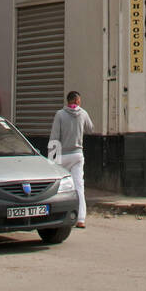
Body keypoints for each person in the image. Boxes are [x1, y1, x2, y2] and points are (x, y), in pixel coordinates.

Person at [48, 91, 93, 228]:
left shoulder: (60, 114)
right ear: (78, 101)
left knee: (59, 187)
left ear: (68, 101)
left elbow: (54, 136)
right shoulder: (83, 113)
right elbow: (90, 129)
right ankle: (81, 219)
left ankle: (57, 216)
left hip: (63, 156)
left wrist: (51, 158)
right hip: (78, 155)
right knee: (79, 186)